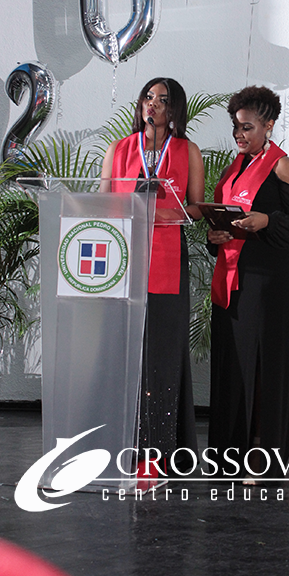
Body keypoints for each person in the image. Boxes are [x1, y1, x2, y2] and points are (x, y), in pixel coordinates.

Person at [207, 85, 289, 481]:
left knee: (267, 369)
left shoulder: (283, 166)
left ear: (268, 126)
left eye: (247, 127)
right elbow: (224, 218)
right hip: (233, 281)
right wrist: (215, 236)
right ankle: (228, 459)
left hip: (271, 285)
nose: (239, 135)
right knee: (234, 367)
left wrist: (267, 220)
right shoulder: (233, 168)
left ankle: (266, 461)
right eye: (236, 127)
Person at [101, 77, 204, 473]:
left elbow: (197, 208)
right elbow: (101, 201)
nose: (153, 104)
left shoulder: (187, 150)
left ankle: (158, 452)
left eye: (162, 99)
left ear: (174, 109)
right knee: (123, 354)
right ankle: (118, 446)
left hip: (166, 259)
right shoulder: (119, 149)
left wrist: (165, 212)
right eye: (148, 97)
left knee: (161, 354)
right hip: (122, 261)